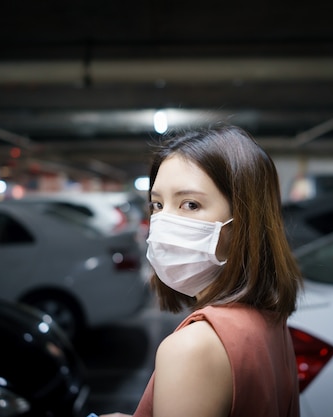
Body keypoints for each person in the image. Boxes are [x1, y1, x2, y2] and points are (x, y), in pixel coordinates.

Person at [100, 124, 303, 417]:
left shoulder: (192, 349)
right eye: (157, 204)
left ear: (243, 222)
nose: (163, 222)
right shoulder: (268, 320)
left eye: (190, 204)